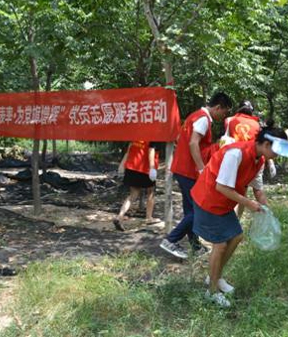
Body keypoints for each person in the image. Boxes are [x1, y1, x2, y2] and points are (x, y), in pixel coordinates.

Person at [190, 126, 288, 307]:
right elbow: (221, 187)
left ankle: (214, 277)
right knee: (220, 244)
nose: (277, 156)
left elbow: (258, 189)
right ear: (264, 143)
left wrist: (266, 209)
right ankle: (212, 291)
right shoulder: (236, 154)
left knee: (237, 236)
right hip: (208, 199)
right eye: (276, 151)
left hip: (224, 203)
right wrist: (249, 204)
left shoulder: (259, 160)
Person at [159, 92, 233, 259]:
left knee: (190, 209)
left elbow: (185, 140)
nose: (224, 116)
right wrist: (201, 169)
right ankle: (171, 240)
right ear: (217, 107)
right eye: (225, 112)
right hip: (188, 170)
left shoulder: (195, 116)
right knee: (199, 209)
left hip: (182, 168)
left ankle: (195, 246)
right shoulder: (203, 119)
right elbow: (193, 142)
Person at [222, 100, 277, 218]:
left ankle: (235, 220)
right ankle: (268, 217)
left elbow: (226, 140)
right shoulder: (258, 124)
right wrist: (270, 162)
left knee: (237, 190)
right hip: (255, 159)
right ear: (251, 111)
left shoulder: (229, 120)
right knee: (257, 190)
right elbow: (263, 145)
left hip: (236, 159)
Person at [114, 141, 159, 231]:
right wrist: (152, 168)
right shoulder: (153, 136)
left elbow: (129, 150)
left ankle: (120, 216)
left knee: (133, 195)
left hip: (131, 168)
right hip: (144, 169)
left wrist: (122, 165)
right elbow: (151, 152)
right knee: (150, 192)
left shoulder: (135, 135)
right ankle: (149, 218)